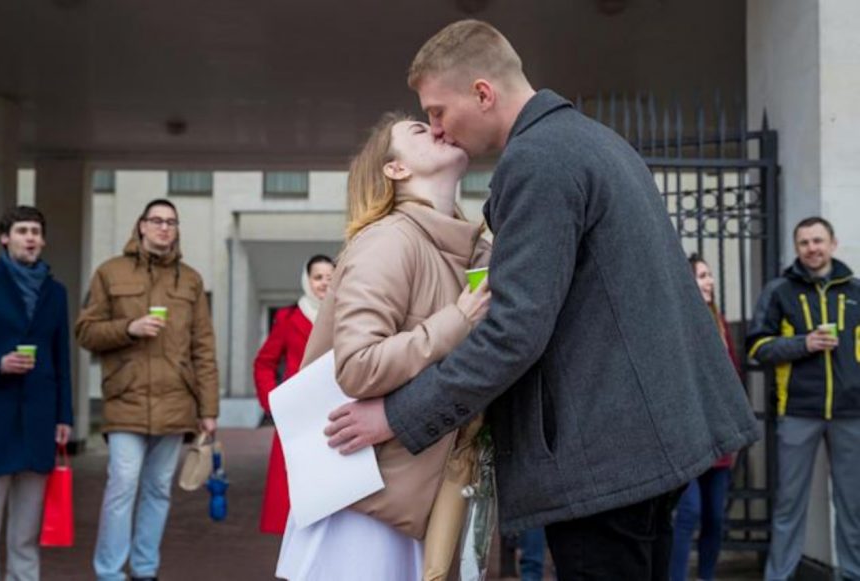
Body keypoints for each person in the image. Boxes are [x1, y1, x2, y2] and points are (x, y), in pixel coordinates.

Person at [323, 20, 760, 580]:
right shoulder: (598, 141)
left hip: (605, 461)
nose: (437, 127)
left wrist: (399, 416)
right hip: (658, 444)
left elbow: (514, 332)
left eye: (436, 110)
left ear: (482, 93)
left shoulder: (536, 161)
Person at [275, 112, 491, 580]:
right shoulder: (388, 241)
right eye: (418, 130)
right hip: (361, 508)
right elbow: (357, 366)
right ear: (395, 170)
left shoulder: (466, 249)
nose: (437, 127)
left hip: (407, 497)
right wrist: (458, 320)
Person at [76, 199, 220, 581]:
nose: (164, 228)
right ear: (140, 226)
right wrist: (129, 328)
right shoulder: (110, 272)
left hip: (176, 401)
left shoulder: (190, 280)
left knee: (158, 489)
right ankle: (109, 572)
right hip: (126, 398)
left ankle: (144, 569)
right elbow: (85, 331)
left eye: (171, 222)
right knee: (122, 484)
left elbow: (203, 346)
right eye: (156, 221)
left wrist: (209, 409)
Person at [747, 216, 860, 581]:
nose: (812, 248)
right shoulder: (779, 290)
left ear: (833, 243)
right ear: (796, 248)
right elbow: (758, 347)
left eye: (818, 241)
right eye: (804, 242)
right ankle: (779, 577)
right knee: (788, 506)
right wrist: (804, 344)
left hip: (852, 413)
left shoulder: (856, 292)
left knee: (853, 506)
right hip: (797, 411)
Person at [0, 205, 73, 581]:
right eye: (22, 231)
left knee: (25, 532)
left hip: (39, 420)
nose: (30, 238)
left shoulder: (55, 293)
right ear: (5, 238)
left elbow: (62, 358)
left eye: (36, 232)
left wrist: (64, 416)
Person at [669, 254, 742, 581]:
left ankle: (708, 576)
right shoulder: (674, 325)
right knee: (688, 513)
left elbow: (734, 378)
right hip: (687, 436)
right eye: (701, 276)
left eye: (709, 276)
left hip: (720, 436)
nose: (709, 282)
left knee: (715, 517)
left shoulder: (720, 323)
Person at [252, 254, 335, 535]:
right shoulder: (288, 317)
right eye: (318, 277)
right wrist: (273, 403)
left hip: (336, 414)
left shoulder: (347, 315)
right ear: (307, 281)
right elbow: (264, 363)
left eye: (330, 276)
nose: (324, 282)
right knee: (292, 499)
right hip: (297, 417)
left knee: (333, 494)